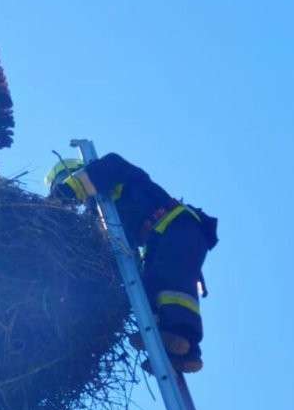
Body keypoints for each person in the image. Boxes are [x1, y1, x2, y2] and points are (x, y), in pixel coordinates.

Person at [46, 154, 218, 372]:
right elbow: (115, 253)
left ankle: (178, 335)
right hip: (163, 237)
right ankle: (183, 354)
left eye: (66, 182)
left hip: (175, 225)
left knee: (169, 280)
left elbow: (106, 168)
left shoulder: (107, 171)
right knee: (154, 288)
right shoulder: (100, 214)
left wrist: (61, 195)